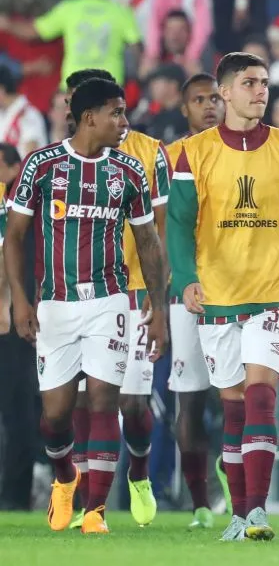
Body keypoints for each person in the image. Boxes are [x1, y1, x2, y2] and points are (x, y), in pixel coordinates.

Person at [167, 52, 279, 542]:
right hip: (217, 296)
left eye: (264, 82)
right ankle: (238, 515)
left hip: (274, 294)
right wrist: (185, 278)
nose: (261, 90)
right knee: (234, 407)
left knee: (261, 397)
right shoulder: (193, 152)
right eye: (249, 83)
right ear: (225, 93)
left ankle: (257, 512)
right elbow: (177, 224)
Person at [4, 77, 168, 534]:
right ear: (90, 116)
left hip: (110, 302)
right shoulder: (42, 165)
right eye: (117, 113)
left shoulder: (129, 171)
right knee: (54, 417)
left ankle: (95, 510)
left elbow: (150, 243)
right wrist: (20, 299)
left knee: (103, 401)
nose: (124, 122)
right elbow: (14, 237)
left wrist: (159, 310)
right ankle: (64, 478)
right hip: (54, 303)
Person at [58, 68, 171, 530]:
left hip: (133, 292)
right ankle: (89, 499)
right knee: (84, 400)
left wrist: (159, 295)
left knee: (131, 403)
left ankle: (139, 472)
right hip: (78, 292)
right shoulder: (59, 158)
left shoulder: (149, 153)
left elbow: (161, 227)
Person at [165, 72, 225, 529]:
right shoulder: (166, 160)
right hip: (185, 293)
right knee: (190, 400)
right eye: (198, 100)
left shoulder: (244, 150)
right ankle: (199, 500)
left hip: (239, 289)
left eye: (214, 98)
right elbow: (159, 231)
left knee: (234, 397)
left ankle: (233, 474)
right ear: (184, 110)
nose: (208, 106)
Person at [0, 0, 141, 85]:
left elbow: (33, 32)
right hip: (109, 85)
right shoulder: (121, 11)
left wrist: (7, 23)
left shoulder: (69, 8)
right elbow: (135, 47)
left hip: (76, 83)